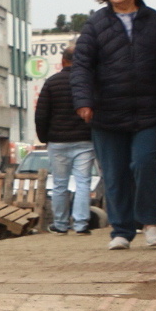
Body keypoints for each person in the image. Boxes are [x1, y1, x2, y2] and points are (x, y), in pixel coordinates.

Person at [71, 0, 156, 250]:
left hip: (148, 110)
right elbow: (82, 65)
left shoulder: (155, 21)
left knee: (145, 163)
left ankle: (150, 222)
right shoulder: (96, 24)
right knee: (114, 173)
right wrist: (84, 101)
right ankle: (122, 230)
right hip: (107, 113)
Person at [33, 47, 94, 234]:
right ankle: (81, 224)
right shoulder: (88, 83)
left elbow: (41, 114)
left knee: (60, 183)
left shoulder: (51, 83)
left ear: (63, 61)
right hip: (85, 140)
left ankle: (60, 224)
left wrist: (45, 138)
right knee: (83, 182)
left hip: (58, 141)